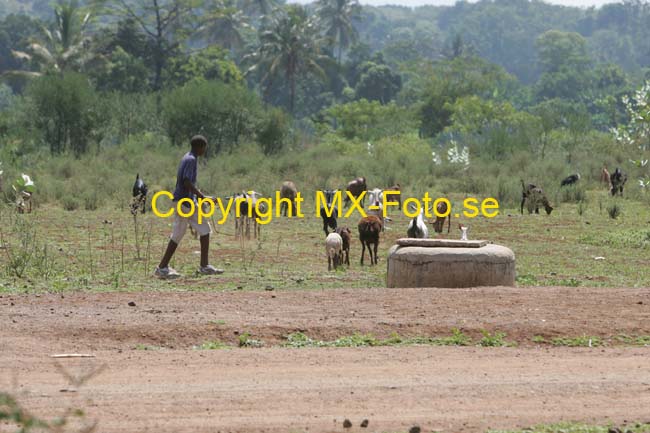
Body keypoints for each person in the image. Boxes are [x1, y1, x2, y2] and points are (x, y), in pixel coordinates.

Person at [154, 135, 224, 279]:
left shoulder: (187, 157)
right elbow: (186, 182)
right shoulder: (191, 160)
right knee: (203, 230)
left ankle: (163, 267)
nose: (205, 150)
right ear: (200, 147)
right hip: (184, 202)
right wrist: (202, 197)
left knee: (187, 232)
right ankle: (201, 266)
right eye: (204, 148)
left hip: (183, 201)